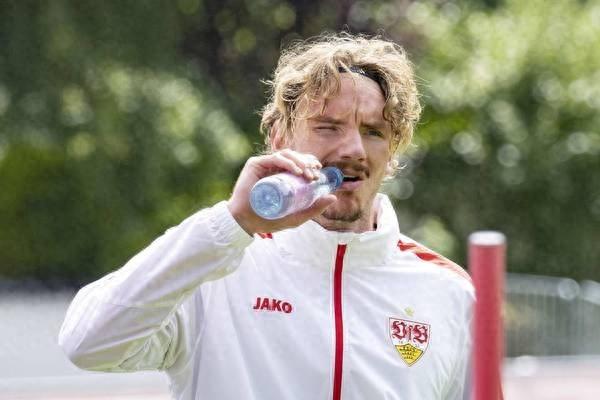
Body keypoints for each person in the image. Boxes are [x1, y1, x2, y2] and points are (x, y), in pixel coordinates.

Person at [59, 32, 474, 400]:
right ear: (279, 139)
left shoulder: (449, 292)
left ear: (393, 151)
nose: (354, 149)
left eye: (373, 131)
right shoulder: (212, 267)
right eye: (328, 127)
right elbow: (87, 344)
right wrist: (232, 224)